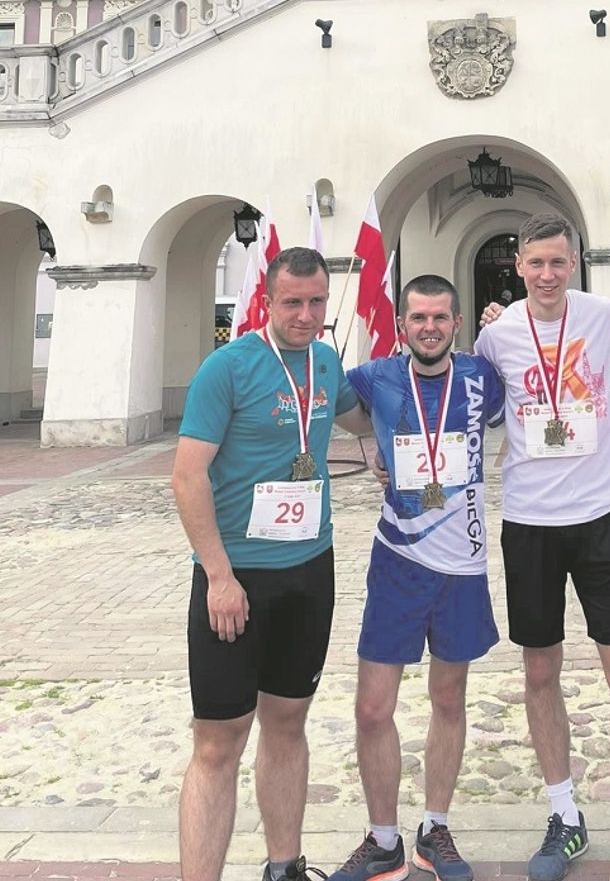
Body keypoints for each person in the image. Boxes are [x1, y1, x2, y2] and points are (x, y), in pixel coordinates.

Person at [475, 214, 610, 881]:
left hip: (599, 517)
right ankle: (564, 817)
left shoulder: (603, 315)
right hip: (529, 522)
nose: (548, 274)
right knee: (539, 673)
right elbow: (477, 408)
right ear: (518, 264)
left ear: (574, 261)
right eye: (536, 263)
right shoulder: (496, 334)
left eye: (559, 262)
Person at [172, 247, 372, 881]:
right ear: (267, 296)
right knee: (219, 739)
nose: (307, 315)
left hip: (310, 570)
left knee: (288, 722)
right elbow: (186, 477)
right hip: (238, 577)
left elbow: (362, 416)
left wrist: (430, 390)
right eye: (293, 302)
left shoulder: (325, 360)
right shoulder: (228, 368)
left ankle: (284, 866)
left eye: (317, 302)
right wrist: (220, 577)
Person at [328, 274, 505, 881]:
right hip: (398, 557)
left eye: (440, 317)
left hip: (462, 560)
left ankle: (435, 828)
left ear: (456, 323)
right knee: (373, 708)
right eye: (417, 318)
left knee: (448, 697)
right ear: (402, 325)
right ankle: (383, 839)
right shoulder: (374, 377)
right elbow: (329, 406)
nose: (429, 327)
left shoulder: (483, 376)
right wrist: (376, 447)